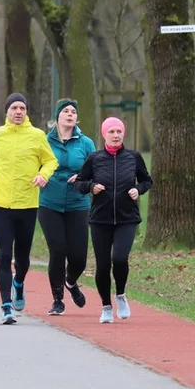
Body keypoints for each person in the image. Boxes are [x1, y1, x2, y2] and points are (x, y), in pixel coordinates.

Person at [0, 93, 58, 324]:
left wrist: (43, 175)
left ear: (27, 111)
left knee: (22, 258)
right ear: (7, 112)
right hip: (1, 204)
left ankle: (18, 283)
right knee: (4, 254)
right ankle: (6, 306)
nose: (18, 111)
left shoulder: (37, 136)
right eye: (14, 108)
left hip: (28, 204)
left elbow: (51, 161)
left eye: (22, 107)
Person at [73, 117, 153, 324]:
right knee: (102, 265)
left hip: (127, 219)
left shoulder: (133, 157)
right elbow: (79, 183)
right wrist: (91, 187)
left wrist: (138, 189)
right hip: (100, 219)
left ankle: (121, 295)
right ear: (104, 135)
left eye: (119, 131)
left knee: (119, 258)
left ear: (123, 134)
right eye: (112, 132)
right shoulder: (94, 158)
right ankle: (106, 306)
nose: (116, 135)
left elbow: (147, 180)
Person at [38, 99, 96, 315]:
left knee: (79, 257)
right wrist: (39, 177)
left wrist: (82, 178)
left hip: (78, 203)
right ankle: (57, 299)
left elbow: (96, 170)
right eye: (65, 111)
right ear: (58, 117)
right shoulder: (44, 141)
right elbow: (35, 166)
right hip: (49, 203)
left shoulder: (85, 143)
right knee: (58, 250)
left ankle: (70, 282)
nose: (70, 114)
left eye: (73, 111)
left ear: (76, 118)